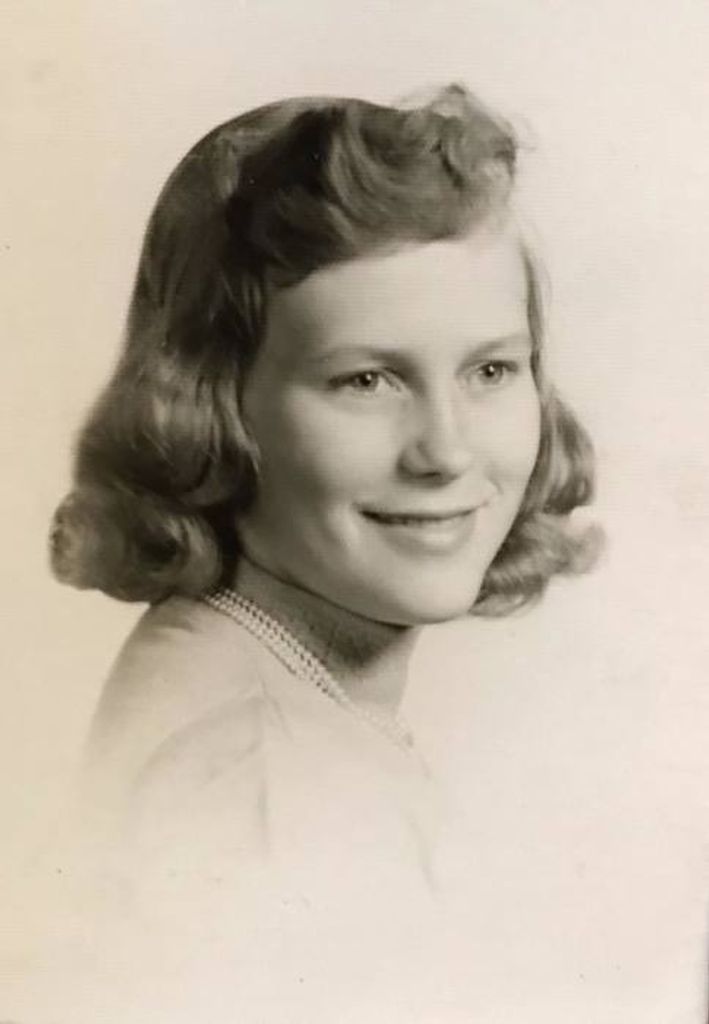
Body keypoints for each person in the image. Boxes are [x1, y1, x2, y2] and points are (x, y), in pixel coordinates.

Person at [37, 83, 602, 1021]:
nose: (447, 452)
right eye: (366, 380)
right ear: (211, 408)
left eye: (491, 369)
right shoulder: (265, 785)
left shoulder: (264, 690)